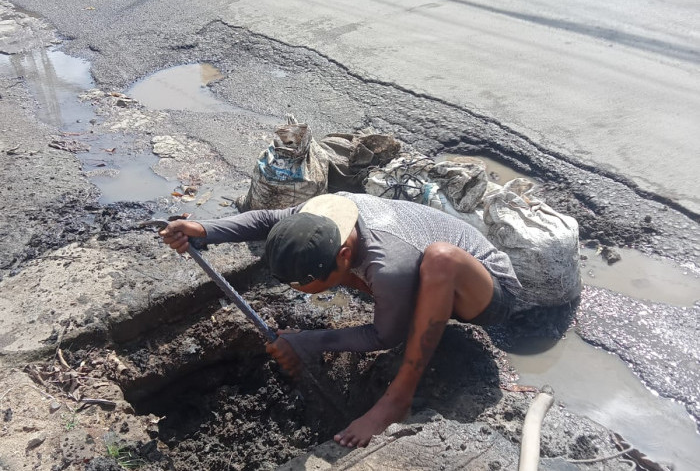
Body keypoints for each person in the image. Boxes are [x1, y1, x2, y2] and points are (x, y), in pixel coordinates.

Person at [159, 192, 522, 448]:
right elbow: (268, 219)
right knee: (410, 272)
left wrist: (306, 342)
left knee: (440, 259)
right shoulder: (321, 215)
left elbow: (386, 336)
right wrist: (205, 229)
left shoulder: (388, 264)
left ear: (345, 254)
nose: (304, 293)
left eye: (312, 286)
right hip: (410, 275)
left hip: (485, 292)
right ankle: (411, 300)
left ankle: (396, 400)